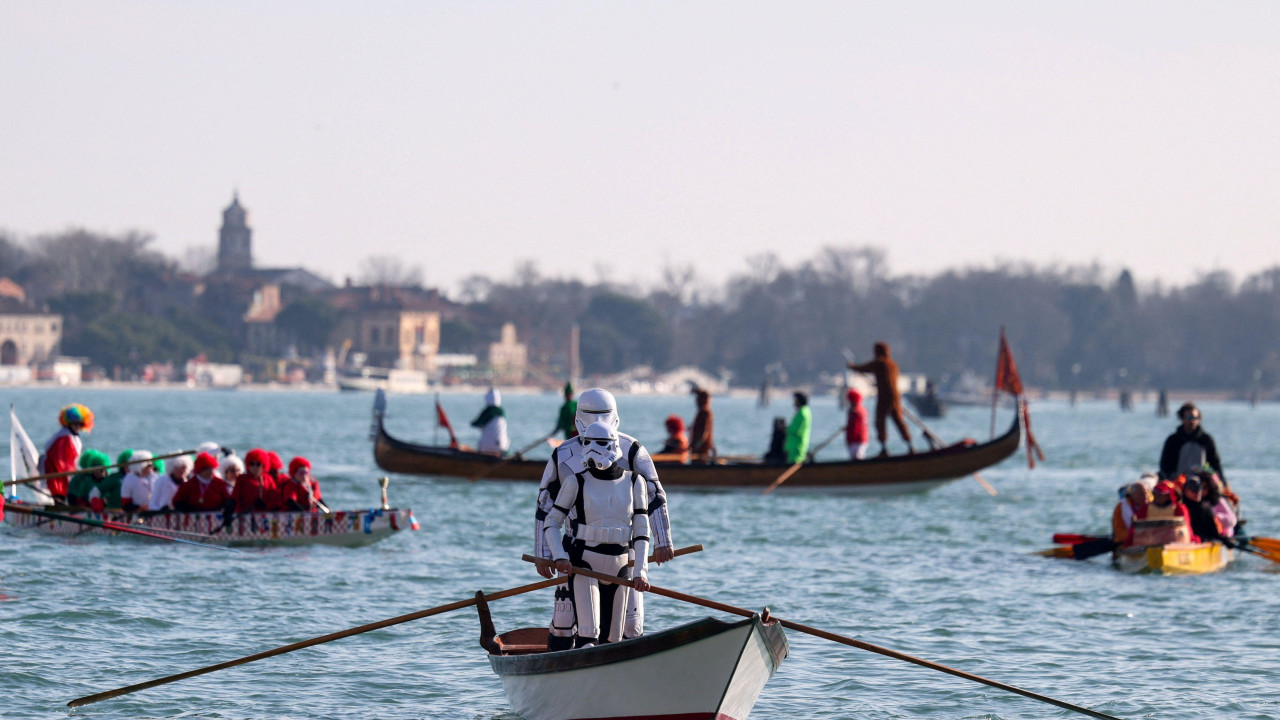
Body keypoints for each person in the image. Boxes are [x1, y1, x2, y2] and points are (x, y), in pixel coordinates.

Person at [534, 388, 674, 648]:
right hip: (576, 549)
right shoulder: (563, 455)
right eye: (591, 415)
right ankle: (561, 667)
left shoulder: (633, 451)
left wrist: (663, 540)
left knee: (629, 625)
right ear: (579, 419)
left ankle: (622, 666)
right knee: (566, 620)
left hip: (624, 552)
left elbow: (654, 496)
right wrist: (545, 553)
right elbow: (546, 506)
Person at [542, 421, 651, 648]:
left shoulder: (635, 482)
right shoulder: (576, 481)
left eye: (599, 443)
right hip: (584, 564)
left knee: (613, 641)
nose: (593, 449)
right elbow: (551, 522)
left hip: (621, 566)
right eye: (587, 443)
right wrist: (560, 556)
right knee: (588, 636)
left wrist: (640, 571)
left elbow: (642, 531)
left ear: (613, 445)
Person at [848, 342, 914, 456]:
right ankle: (910, 446)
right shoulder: (893, 365)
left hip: (884, 397)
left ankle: (884, 449)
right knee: (899, 421)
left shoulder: (880, 363)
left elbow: (865, 368)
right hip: (896, 398)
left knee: (880, 422)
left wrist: (853, 367)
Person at [38, 403, 94, 503]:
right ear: (68, 423)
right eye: (75, 424)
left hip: (63, 471)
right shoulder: (65, 438)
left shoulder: (69, 435)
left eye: (80, 424)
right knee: (60, 495)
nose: (78, 426)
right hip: (58, 472)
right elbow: (60, 459)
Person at [1159, 402, 1227, 484]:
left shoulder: (1206, 440)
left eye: (1196, 417)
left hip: (1201, 484)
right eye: (1189, 417)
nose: (1192, 420)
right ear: (1182, 418)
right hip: (1178, 483)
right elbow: (1165, 466)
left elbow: (1215, 465)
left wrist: (1222, 482)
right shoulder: (1173, 440)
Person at [1183, 474, 1233, 542]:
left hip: (1202, 542)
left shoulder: (1205, 509)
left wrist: (1224, 539)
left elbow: (1214, 533)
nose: (1197, 492)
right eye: (1193, 489)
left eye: (1200, 489)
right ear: (1185, 491)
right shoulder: (1180, 507)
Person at [1111, 481, 1151, 546]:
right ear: (1133, 495)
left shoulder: (1153, 503)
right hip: (1128, 542)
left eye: (1146, 493)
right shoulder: (1121, 507)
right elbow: (1119, 531)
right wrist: (1136, 538)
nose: (1145, 497)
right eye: (1141, 494)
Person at [472, 388, 509, 456]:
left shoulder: (488, 411)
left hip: (486, 446)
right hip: (501, 447)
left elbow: (475, 424)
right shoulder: (502, 412)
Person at [784, 392, 812, 464]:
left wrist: (783, 429)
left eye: (795, 400)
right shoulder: (806, 411)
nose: (794, 402)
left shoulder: (802, 413)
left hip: (796, 446)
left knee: (794, 463)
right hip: (796, 444)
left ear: (799, 401)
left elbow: (795, 430)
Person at [689, 388, 715, 461]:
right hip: (700, 449)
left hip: (701, 451)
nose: (696, 401)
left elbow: (704, 432)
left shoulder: (705, 413)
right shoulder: (702, 413)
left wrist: (697, 445)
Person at [845, 388, 870, 460]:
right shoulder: (863, 409)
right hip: (863, 439)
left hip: (856, 440)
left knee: (856, 459)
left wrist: (850, 439)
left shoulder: (854, 411)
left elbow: (854, 427)